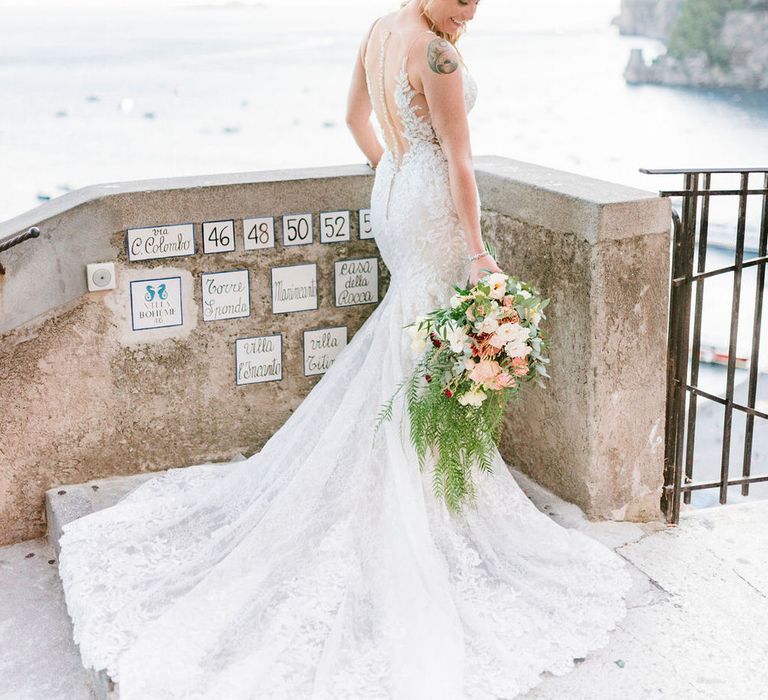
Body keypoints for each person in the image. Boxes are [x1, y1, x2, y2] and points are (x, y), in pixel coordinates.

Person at [57, 1, 634, 698]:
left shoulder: (381, 30)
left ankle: (417, 476)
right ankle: (421, 492)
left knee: (410, 332)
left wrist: (395, 176)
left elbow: (357, 121)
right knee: (428, 336)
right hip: (430, 207)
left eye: (478, 1)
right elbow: (461, 161)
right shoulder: (437, 55)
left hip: (391, 192)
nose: (469, 9)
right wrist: (479, 252)